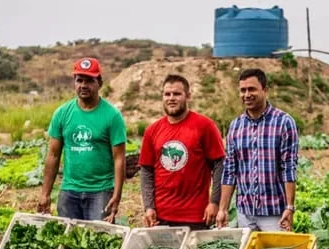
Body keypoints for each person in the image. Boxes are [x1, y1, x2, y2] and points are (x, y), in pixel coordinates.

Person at [38, 57, 126, 222]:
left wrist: (117, 195)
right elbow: (53, 155)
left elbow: (119, 158)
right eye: (79, 80)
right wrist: (45, 193)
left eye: (89, 81)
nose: (83, 85)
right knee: (69, 241)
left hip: (101, 190)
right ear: (74, 82)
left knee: (98, 239)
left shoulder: (112, 116)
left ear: (99, 83)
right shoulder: (62, 113)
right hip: (69, 190)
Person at [139, 74, 226, 230]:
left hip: (196, 215)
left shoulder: (204, 126)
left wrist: (214, 202)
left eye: (177, 94)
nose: (171, 98)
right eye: (167, 94)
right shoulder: (152, 131)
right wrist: (149, 206)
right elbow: (146, 171)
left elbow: (220, 165)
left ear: (188, 96)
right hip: (161, 216)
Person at [217, 68, 298, 232]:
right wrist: (223, 209)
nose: (247, 95)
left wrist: (289, 206)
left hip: (274, 213)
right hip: (245, 213)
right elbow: (230, 170)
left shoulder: (283, 122)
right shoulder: (235, 126)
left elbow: (288, 167)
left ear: (265, 90)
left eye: (252, 89)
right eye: (243, 90)